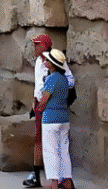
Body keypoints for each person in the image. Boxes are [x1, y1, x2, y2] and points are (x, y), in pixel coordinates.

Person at [25, 35, 75, 187]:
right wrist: (35, 101)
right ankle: (40, 175)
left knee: (51, 149)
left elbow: (69, 82)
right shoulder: (38, 63)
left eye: (37, 45)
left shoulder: (54, 72)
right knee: (43, 142)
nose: (34, 48)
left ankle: (56, 181)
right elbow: (37, 86)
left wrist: (48, 97)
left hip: (49, 111)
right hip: (56, 112)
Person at [36, 49, 74, 189]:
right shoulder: (64, 79)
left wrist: (39, 108)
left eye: (47, 60)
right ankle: (67, 181)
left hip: (51, 119)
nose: (44, 61)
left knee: (50, 152)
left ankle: (54, 183)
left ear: (52, 64)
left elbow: (44, 99)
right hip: (64, 118)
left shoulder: (52, 78)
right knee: (64, 151)